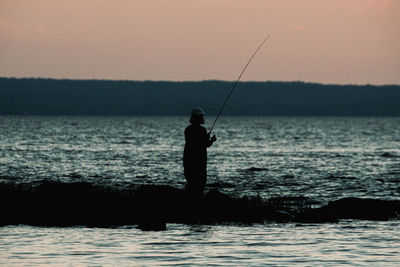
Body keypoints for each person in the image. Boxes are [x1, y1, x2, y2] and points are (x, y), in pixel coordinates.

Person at [183, 107, 217, 195]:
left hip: (188, 160)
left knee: (191, 182)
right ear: (199, 118)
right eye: (201, 116)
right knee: (200, 183)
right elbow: (206, 144)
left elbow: (195, 143)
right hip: (200, 161)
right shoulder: (202, 130)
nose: (203, 118)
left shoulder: (188, 129)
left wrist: (205, 138)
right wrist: (212, 140)